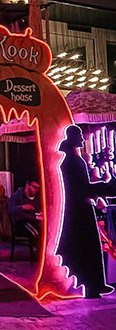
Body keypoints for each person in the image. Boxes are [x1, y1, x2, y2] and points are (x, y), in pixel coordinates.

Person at [57, 125, 116, 298]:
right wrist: (107, 186)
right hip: (78, 210)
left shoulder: (73, 160)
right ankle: (91, 285)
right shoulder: (72, 162)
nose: (83, 139)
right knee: (86, 248)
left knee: (89, 247)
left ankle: (95, 283)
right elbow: (82, 188)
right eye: (80, 136)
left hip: (79, 208)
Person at [8, 178, 41, 248]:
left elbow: (38, 211)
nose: (36, 190)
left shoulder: (38, 198)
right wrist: (22, 207)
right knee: (36, 234)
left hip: (34, 222)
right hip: (21, 224)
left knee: (46, 230)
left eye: (38, 188)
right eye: (34, 187)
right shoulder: (18, 196)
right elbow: (10, 209)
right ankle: (38, 254)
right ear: (28, 185)